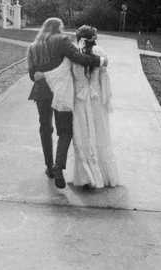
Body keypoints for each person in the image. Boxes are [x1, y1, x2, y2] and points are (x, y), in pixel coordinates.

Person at [27, 18, 108, 189]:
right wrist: (100, 61)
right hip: (61, 91)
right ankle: (58, 165)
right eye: (62, 27)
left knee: (45, 128)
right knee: (65, 131)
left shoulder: (33, 47)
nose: (64, 31)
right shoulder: (62, 40)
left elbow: (32, 75)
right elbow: (78, 58)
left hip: (41, 92)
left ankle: (49, 168)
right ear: (57, 28)